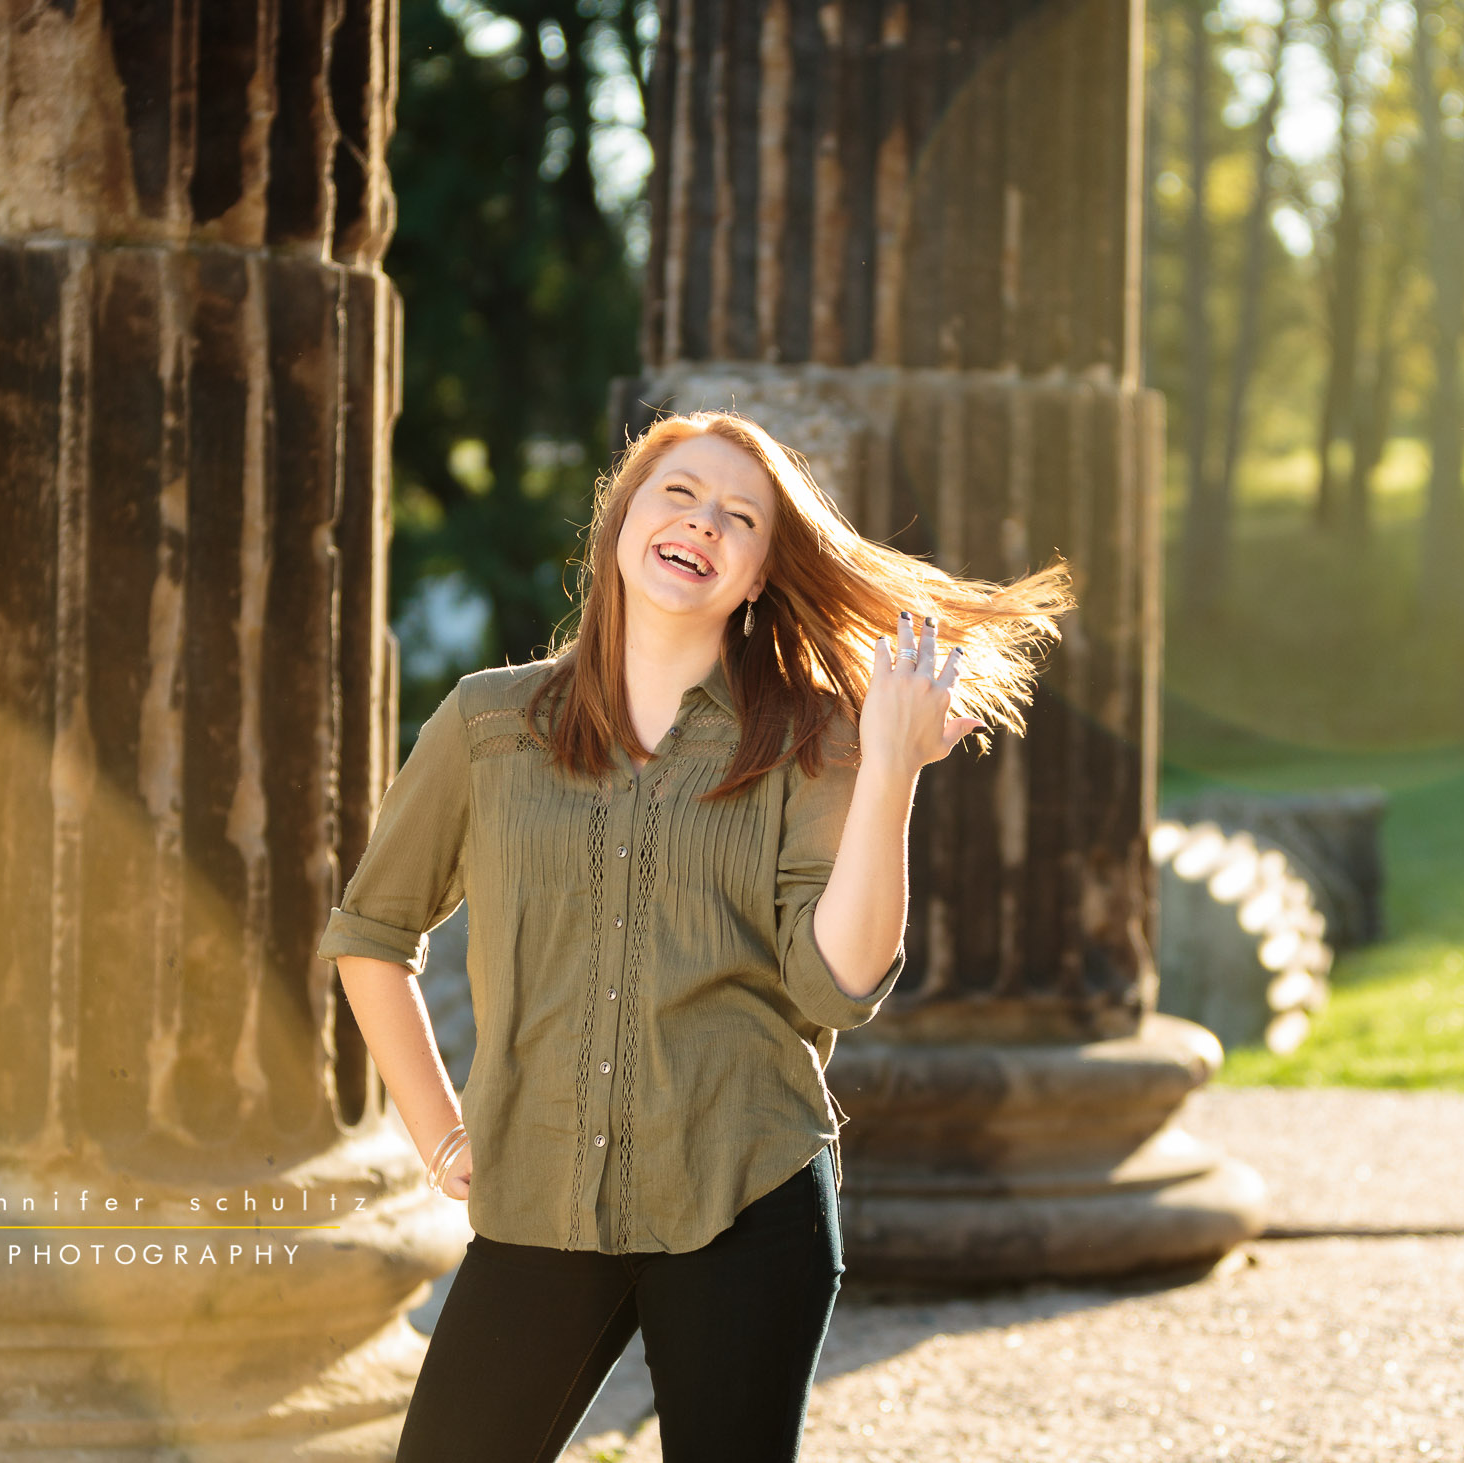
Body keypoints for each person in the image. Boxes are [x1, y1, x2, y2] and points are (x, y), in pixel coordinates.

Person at [319, 410, 1073, 1462]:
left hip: (746, 1192)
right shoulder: (487, 724)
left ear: (761, 572)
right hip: (538, 1199)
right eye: (678, 493)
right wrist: (441, 1136)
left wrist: (890, 770)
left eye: (739, 515)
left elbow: (837, 984)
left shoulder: (814, 741)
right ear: (623, 517)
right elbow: (369, 930)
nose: (701, 522)